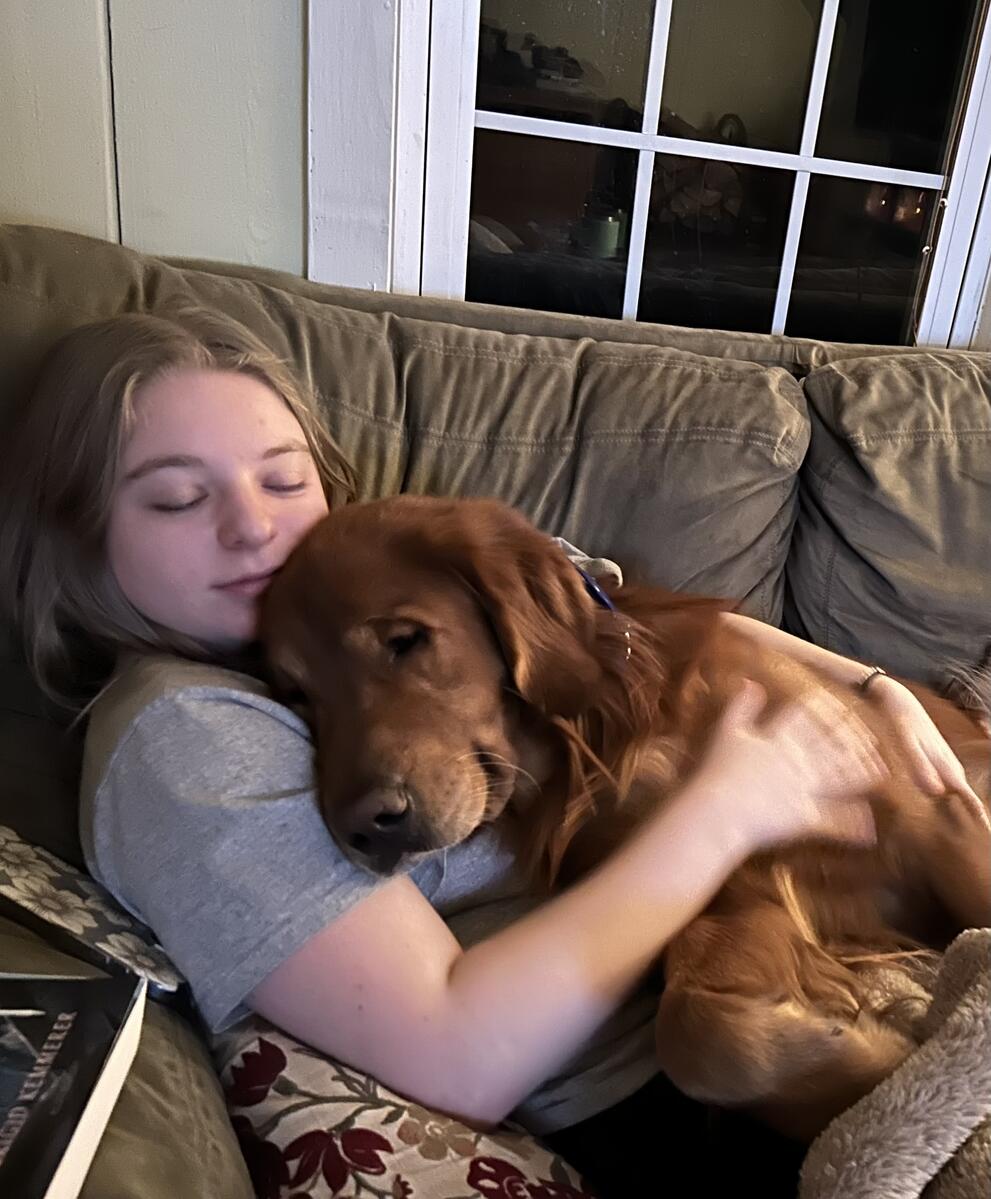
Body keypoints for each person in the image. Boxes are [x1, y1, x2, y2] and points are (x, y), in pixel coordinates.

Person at [0, 308, 977, 1196]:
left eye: (283, 476)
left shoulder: (311, 614)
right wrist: (729, 806)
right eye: (173, 499)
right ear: (76, 536)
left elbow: (591, 602)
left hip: (762, 961)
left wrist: (867, 682)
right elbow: (456, 1051)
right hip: (682, 1094)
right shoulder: (182, 730)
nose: (252, 524)